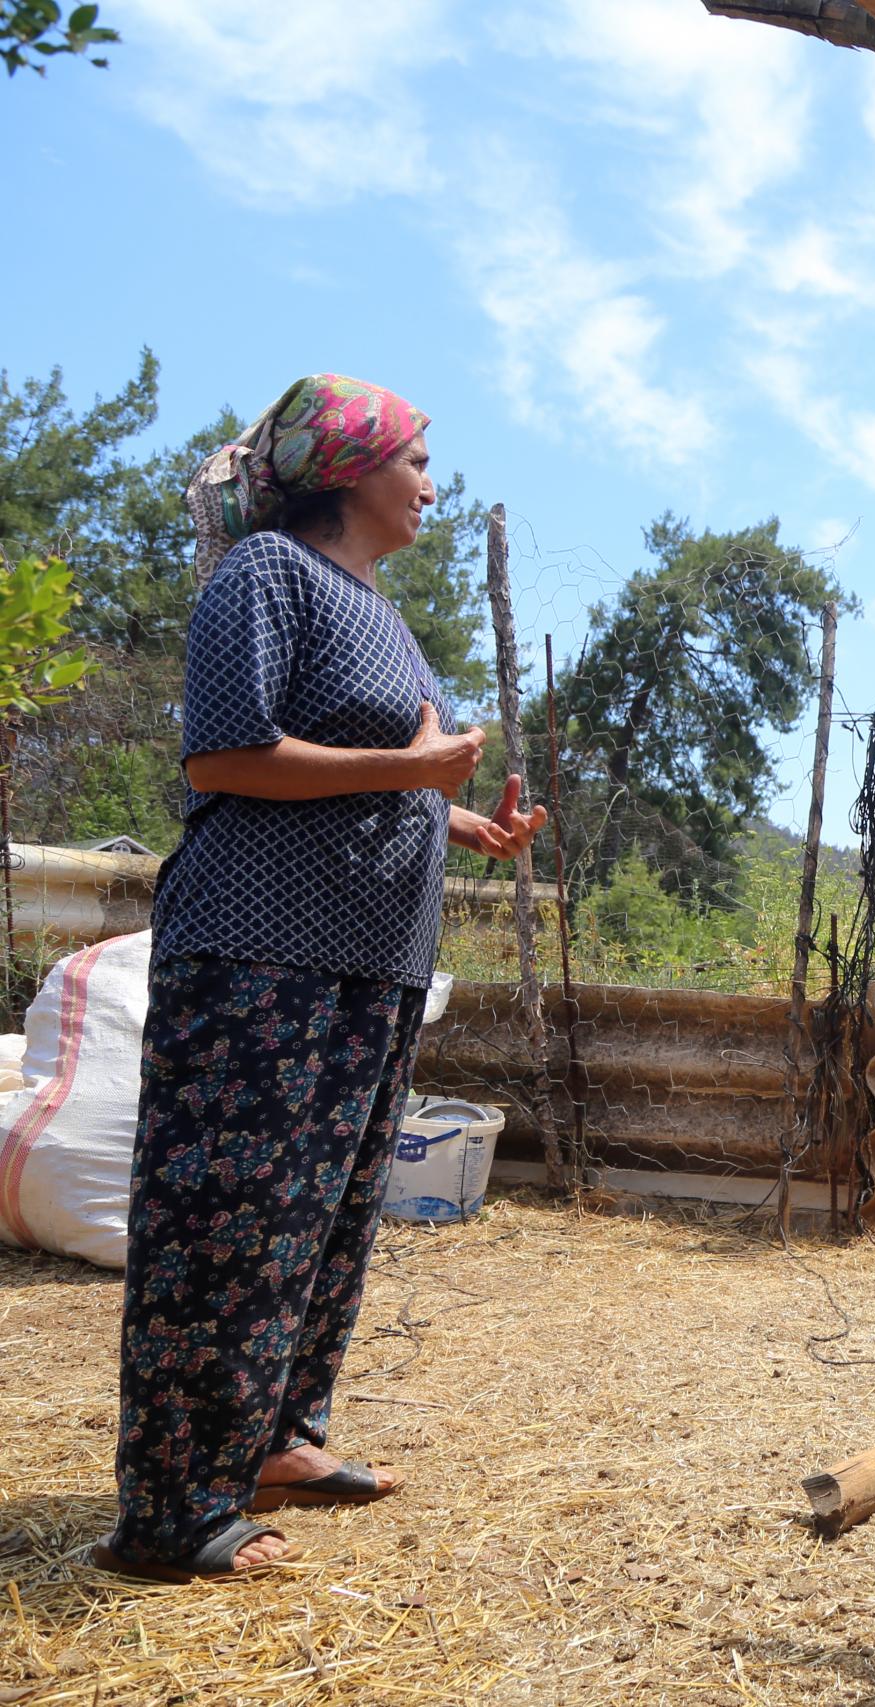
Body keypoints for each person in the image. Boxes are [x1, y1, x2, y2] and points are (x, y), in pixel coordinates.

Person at [89, 375, 547, 1582]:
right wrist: (419, 768)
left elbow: (371, 774)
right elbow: (230, 755)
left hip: (369, 959)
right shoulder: (265, 578)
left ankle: (276, 1439)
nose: (433, 485)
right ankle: (169, 1513)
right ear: (348, 471)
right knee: (229, 1227)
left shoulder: (381, 612)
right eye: (417, 461)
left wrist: (460, 820)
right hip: (258, 948)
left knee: (324, 1221)